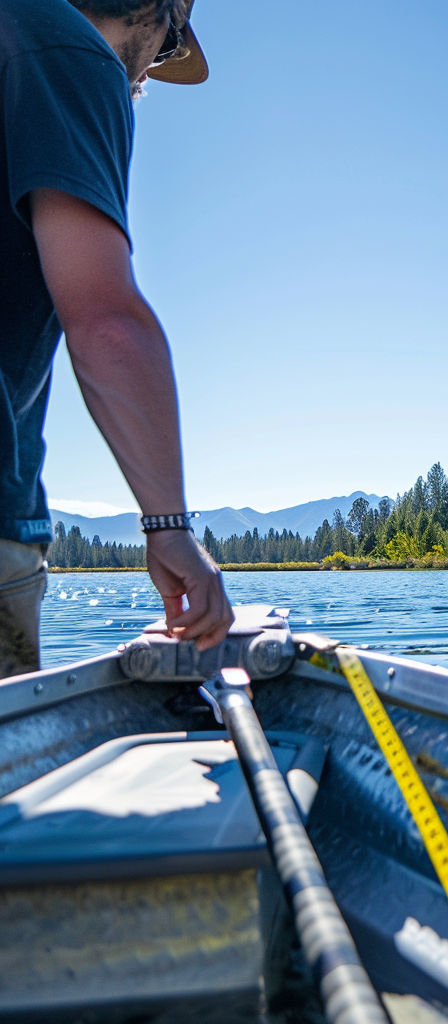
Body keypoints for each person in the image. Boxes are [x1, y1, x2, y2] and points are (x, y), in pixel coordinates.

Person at [0, 0, 233, 677]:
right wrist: (169, 528)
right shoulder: (68, 51)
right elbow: (103, 317)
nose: (151, 73)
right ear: (156, 13)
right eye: (168, 48)